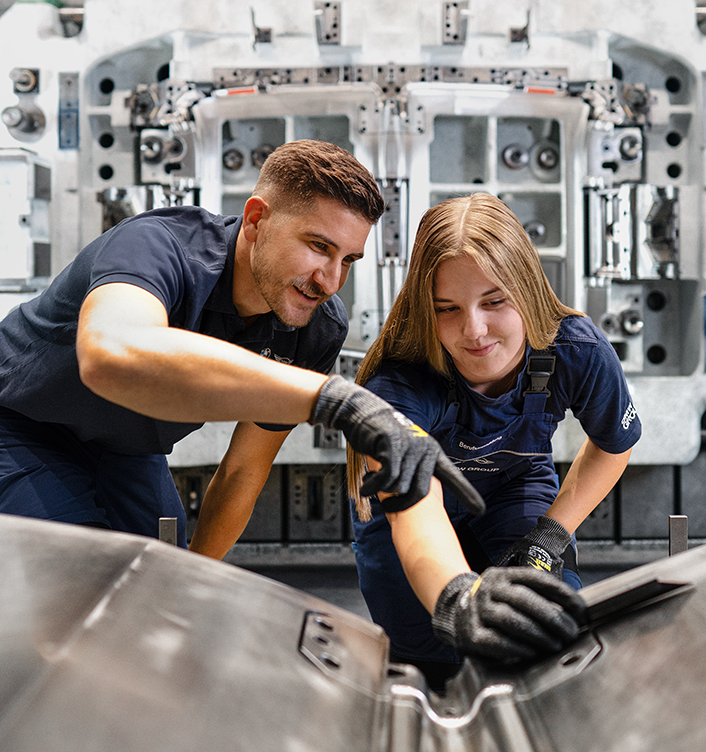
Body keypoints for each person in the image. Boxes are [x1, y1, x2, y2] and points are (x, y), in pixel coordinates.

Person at [193, 194, 639, 687]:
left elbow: (612, 444)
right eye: (447, 308)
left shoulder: (576, 350)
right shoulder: (398, 381)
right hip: (406, 514)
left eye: (495, 301)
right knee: (427, 657)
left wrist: (552, 533)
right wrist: (456, 599)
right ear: (426, 309)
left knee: (540, 618)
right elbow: (416, 506)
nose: (474, 330)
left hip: (514, 488)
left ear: (528, 290)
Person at [0, 139, 483, 544]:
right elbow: (108, 356)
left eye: (348, 260)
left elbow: (243, 471)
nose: (330, 280)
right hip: (21, 422)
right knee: (73, 583)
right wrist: (337, 400)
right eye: (318, 247)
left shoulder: (315, 327)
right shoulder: (157, 247)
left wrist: (195, 591)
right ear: (256, 220)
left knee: (162, 574)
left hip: (127, 445)